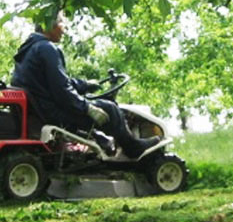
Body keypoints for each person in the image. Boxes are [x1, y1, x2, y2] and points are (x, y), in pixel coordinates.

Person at [11, 15, 160, 158]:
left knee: (93, 102)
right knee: (110, 109)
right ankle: (133, 149)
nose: (64, 29)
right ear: (49, 25)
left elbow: (55, 82)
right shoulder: (47, 49)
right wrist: (87, 108)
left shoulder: (29, 49)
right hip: (52, 113)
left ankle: (106, 145)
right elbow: (62, 91)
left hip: (41, 109)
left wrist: (85, 85)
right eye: (62, 23)